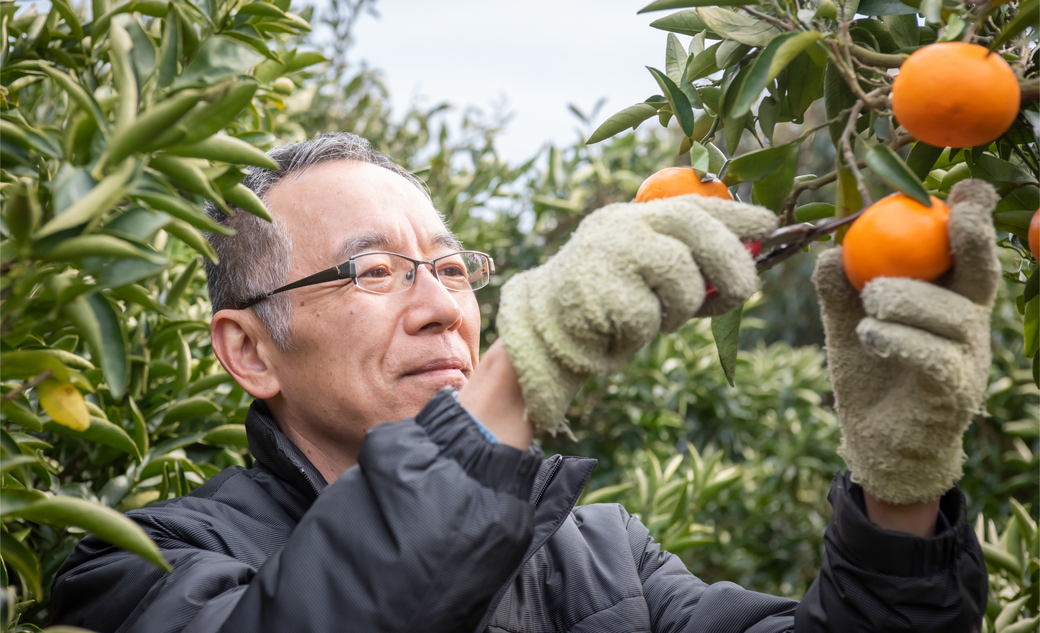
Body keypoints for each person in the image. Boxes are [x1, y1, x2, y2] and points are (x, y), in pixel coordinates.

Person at [51, 132, 989, 632]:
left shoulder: (603, 560)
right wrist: (518, 378)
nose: (441, 309)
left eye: (453, 270)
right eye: (372, 273)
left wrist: (900, 491)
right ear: (249, 350)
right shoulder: (147, 567)